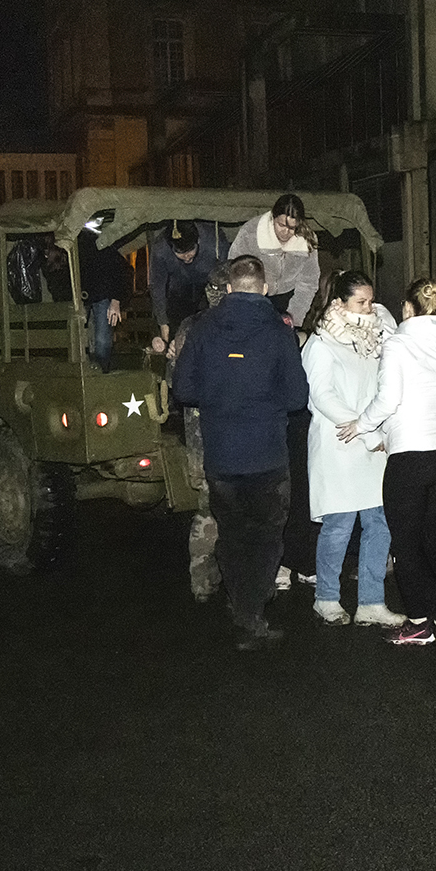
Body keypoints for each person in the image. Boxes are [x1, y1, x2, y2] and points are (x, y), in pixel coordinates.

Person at [173, 255, 309, 651]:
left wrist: (220, 395)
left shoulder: (202, 328)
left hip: (221, 454)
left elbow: (184, 389)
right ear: (264, 288)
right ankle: (252, 611)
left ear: (229, 288)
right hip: (267, 454)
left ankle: (243, 601)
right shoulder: (279, 332)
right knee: (266, 535)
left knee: (232, 535)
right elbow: (297, 397)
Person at [346, 278, 436, 645]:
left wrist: (361, 425)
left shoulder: (397, 345)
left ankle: (417, 623)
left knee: (405, 541)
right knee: (435, 536)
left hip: (412, 452)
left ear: (407, 308)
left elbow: (388, 399)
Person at [300, 269, 405, 629]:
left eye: (371, 301)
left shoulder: (373, 338)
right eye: (361, 302)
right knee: (339, 525)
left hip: (372, 444)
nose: (369, 308)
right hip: (340, 445)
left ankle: (371, 602)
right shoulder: (321, 343)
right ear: (340, 303)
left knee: (379, 523)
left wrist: (378, 429)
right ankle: (326, 598)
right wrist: (367, 431)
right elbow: (322, 395)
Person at [164, 263, 235, 602]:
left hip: (200, 434)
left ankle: (203, 581)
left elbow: (175, 380)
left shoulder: (191, 327)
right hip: (228, 433)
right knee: (225, 510)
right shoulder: (237, 325)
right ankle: (224, 580)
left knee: (208, 508)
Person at [228, 193, 320, 329]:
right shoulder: (250, 233)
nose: (286, 232)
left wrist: (293, 318)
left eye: (292, 228)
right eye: (281, 225)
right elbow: (235, 272)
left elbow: (308, 283)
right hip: (255, 296)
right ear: (273, 216)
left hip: (289, 298)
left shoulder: (308, 240)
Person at [149, 219, 227, 347]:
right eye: (180, 253)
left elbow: (226, 273)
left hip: (209, 287)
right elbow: (157, 286)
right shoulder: (160, 249)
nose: (186, 257)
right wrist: (163, 323)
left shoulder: (214, 239)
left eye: (190, 251)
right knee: (177, 336)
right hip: (178, 291)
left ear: (198, 242)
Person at [78, 212, 130, 373]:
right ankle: (88, 372)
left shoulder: (105, 243)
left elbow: (121, 270)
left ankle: (102, 373)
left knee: (102, 340)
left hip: (101, 296)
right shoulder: (76, 242)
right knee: (82, 339)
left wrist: (116, 299)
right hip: (82, 296)